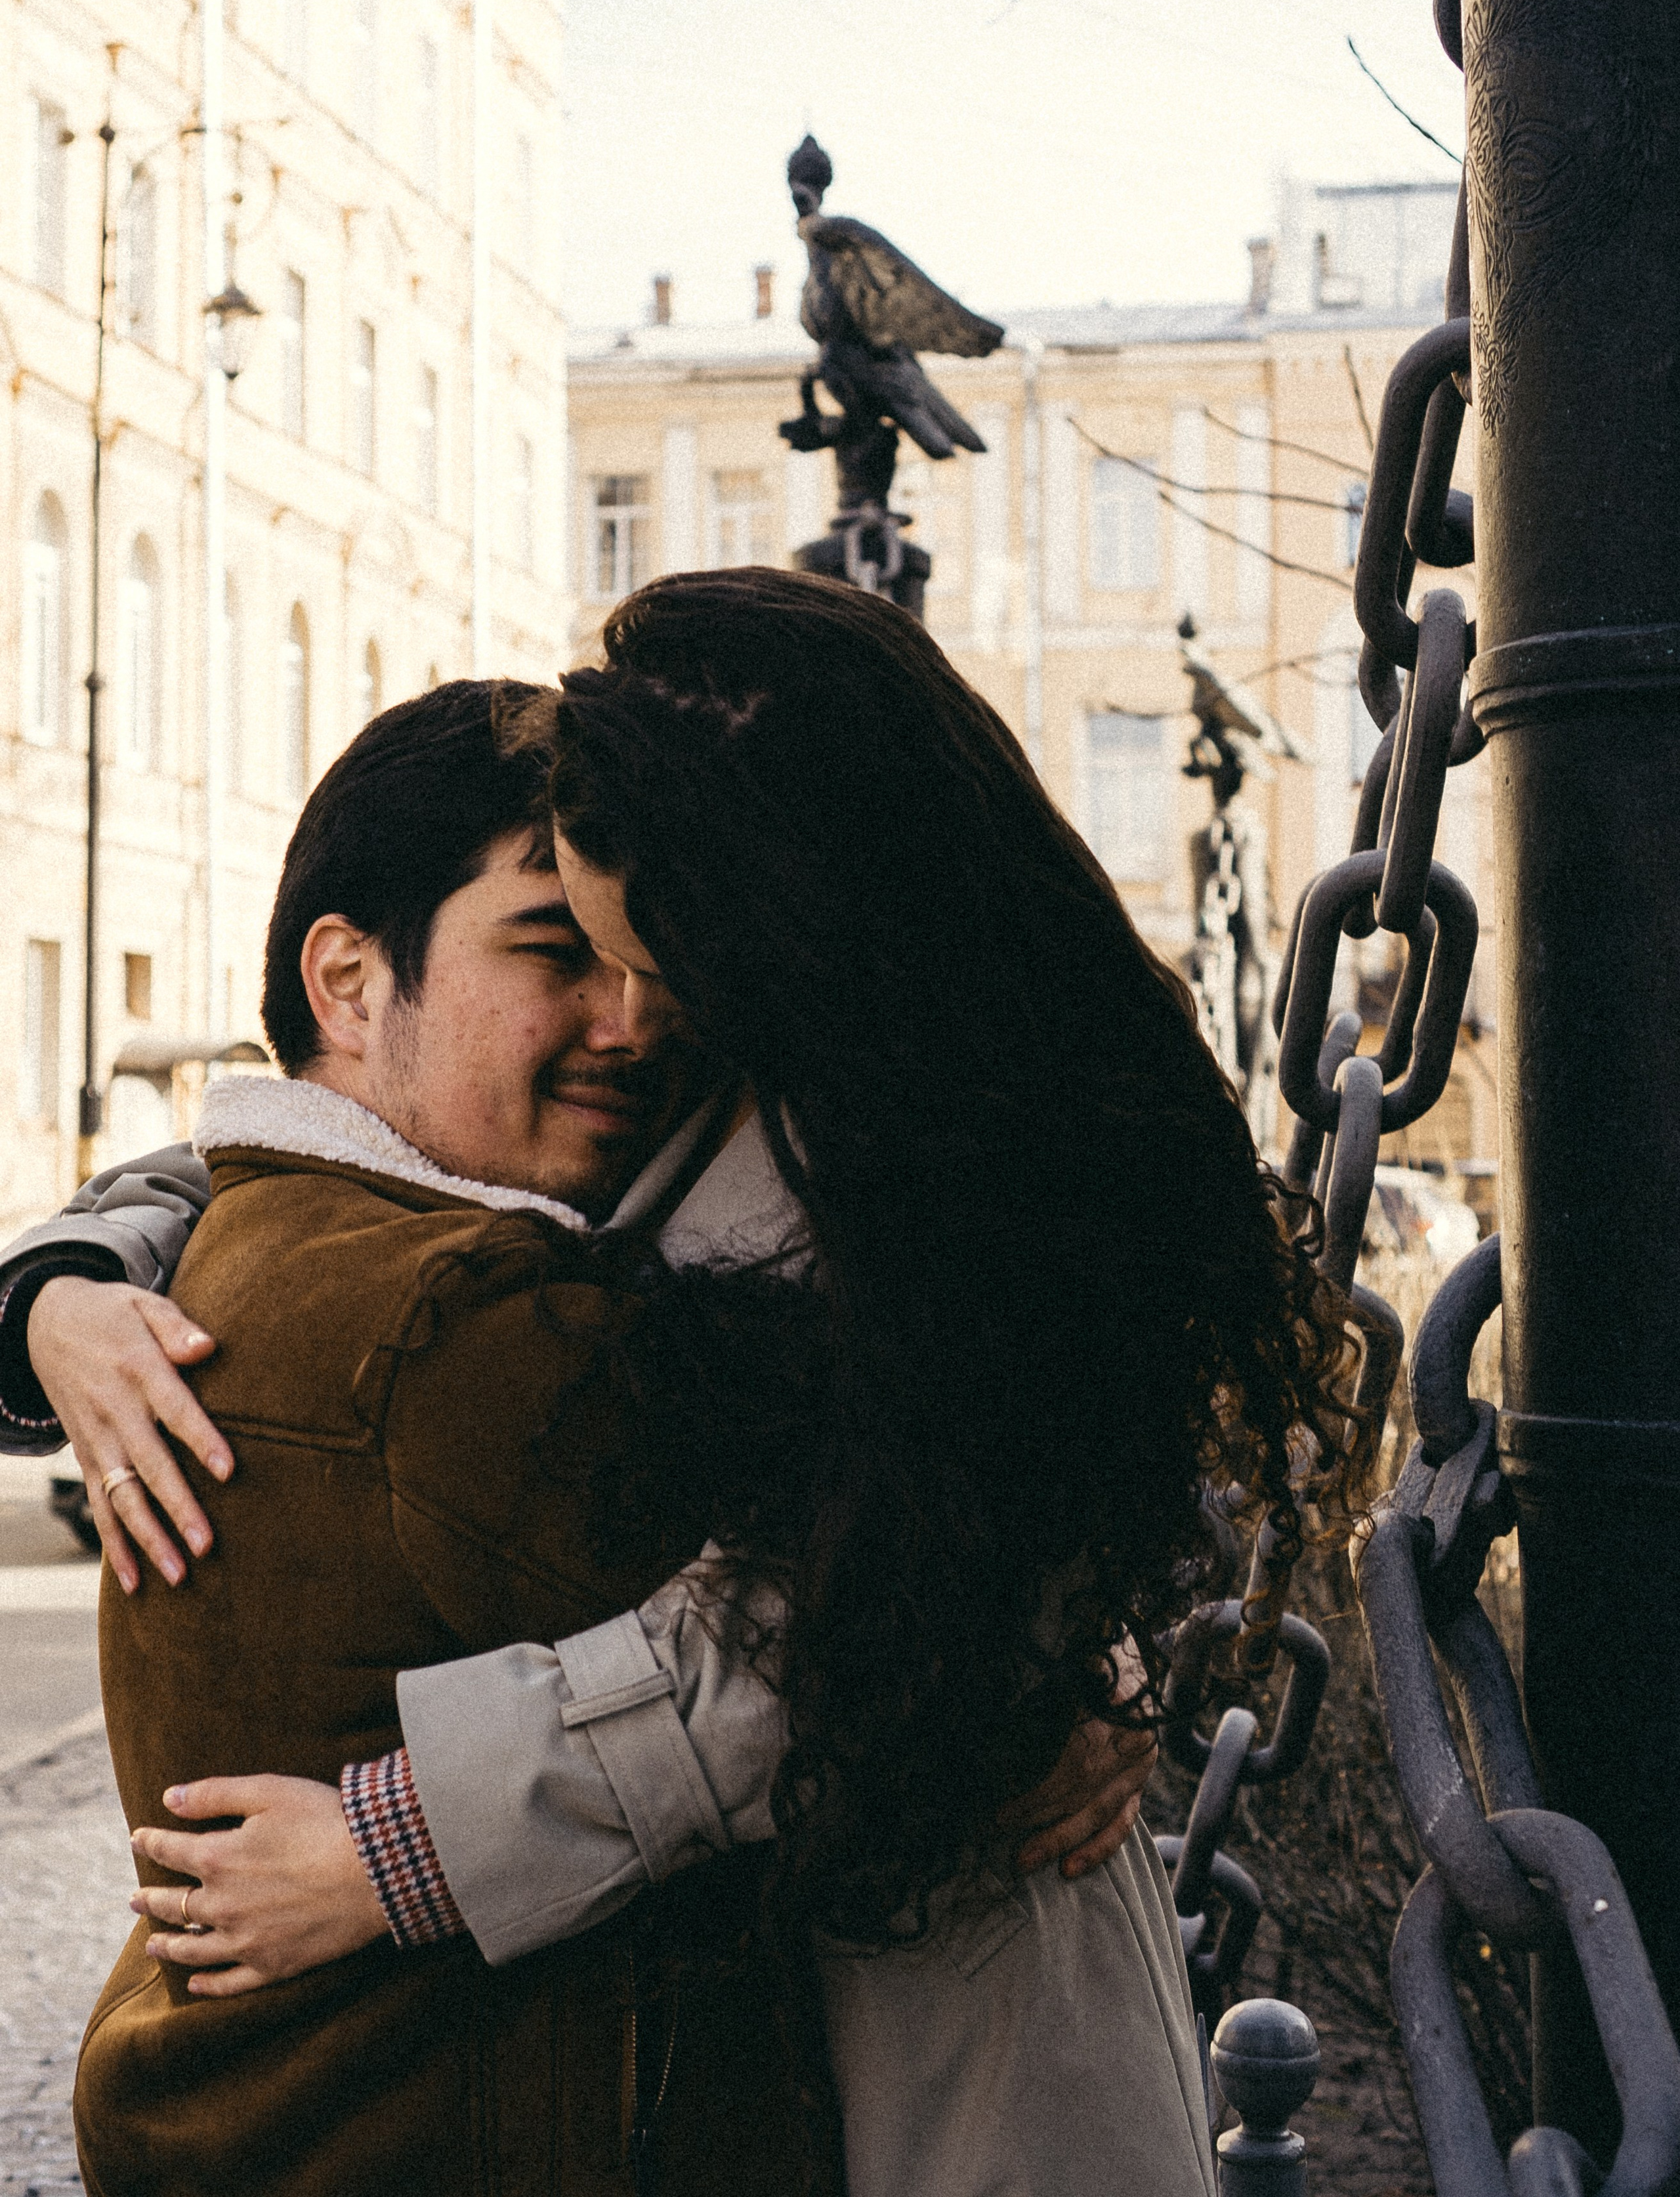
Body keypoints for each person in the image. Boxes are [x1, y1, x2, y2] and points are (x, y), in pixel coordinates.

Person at [9, 572, 1365, 2196]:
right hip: (837, 1947)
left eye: (649, 954)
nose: (635, 1022)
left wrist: (403, 1847)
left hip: (957, 2001)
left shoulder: (932, 1175)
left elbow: (840, 1615)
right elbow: (317, 1137)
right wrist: (68, 1279)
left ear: (778, 906)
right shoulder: (783, 1071)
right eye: (574, 951)